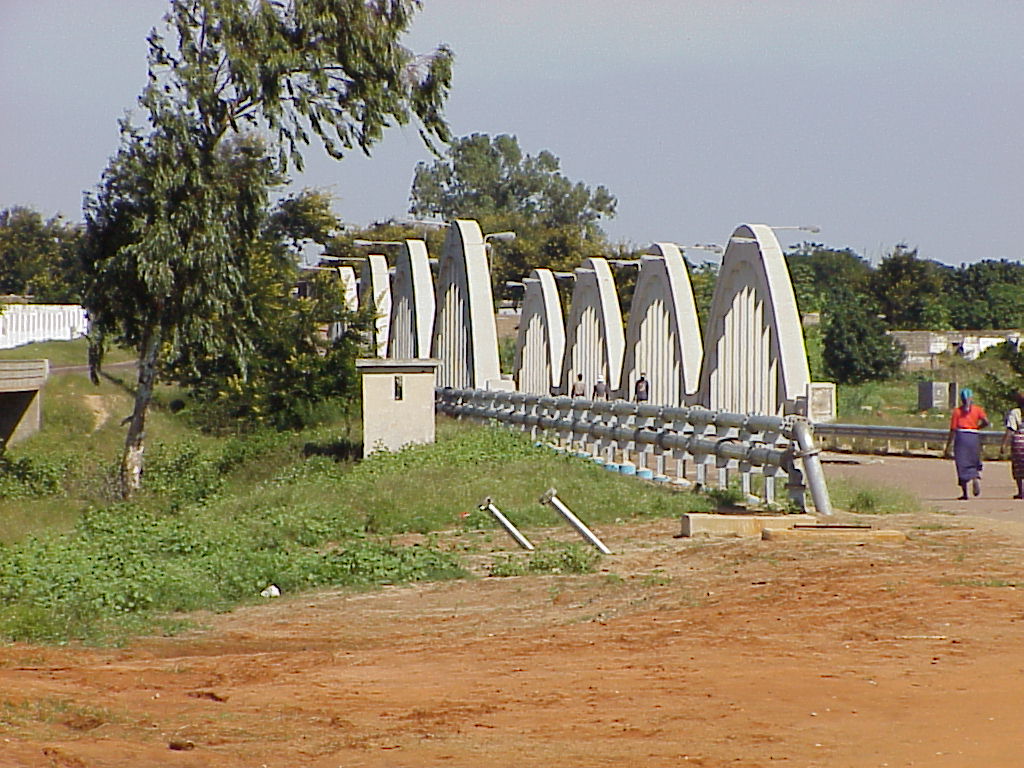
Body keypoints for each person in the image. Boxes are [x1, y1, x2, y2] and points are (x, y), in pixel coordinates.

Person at [944, 387, 990, 500]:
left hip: (961, 438)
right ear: (971, 397)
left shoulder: (957, 412)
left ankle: (965, 493)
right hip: (973, 437)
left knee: (962, 463)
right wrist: (977, 427)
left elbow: (953, 430)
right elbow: (986, 422)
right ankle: (975, 477)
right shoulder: (978, 410)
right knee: (973, 460)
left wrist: (948, 446)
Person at [1000, 391, 1024, 499]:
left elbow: (1010, 429)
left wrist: (1003, 445)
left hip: (1018, 442)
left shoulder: (1014, 412)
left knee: (1018, 467)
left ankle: (1021, 492)